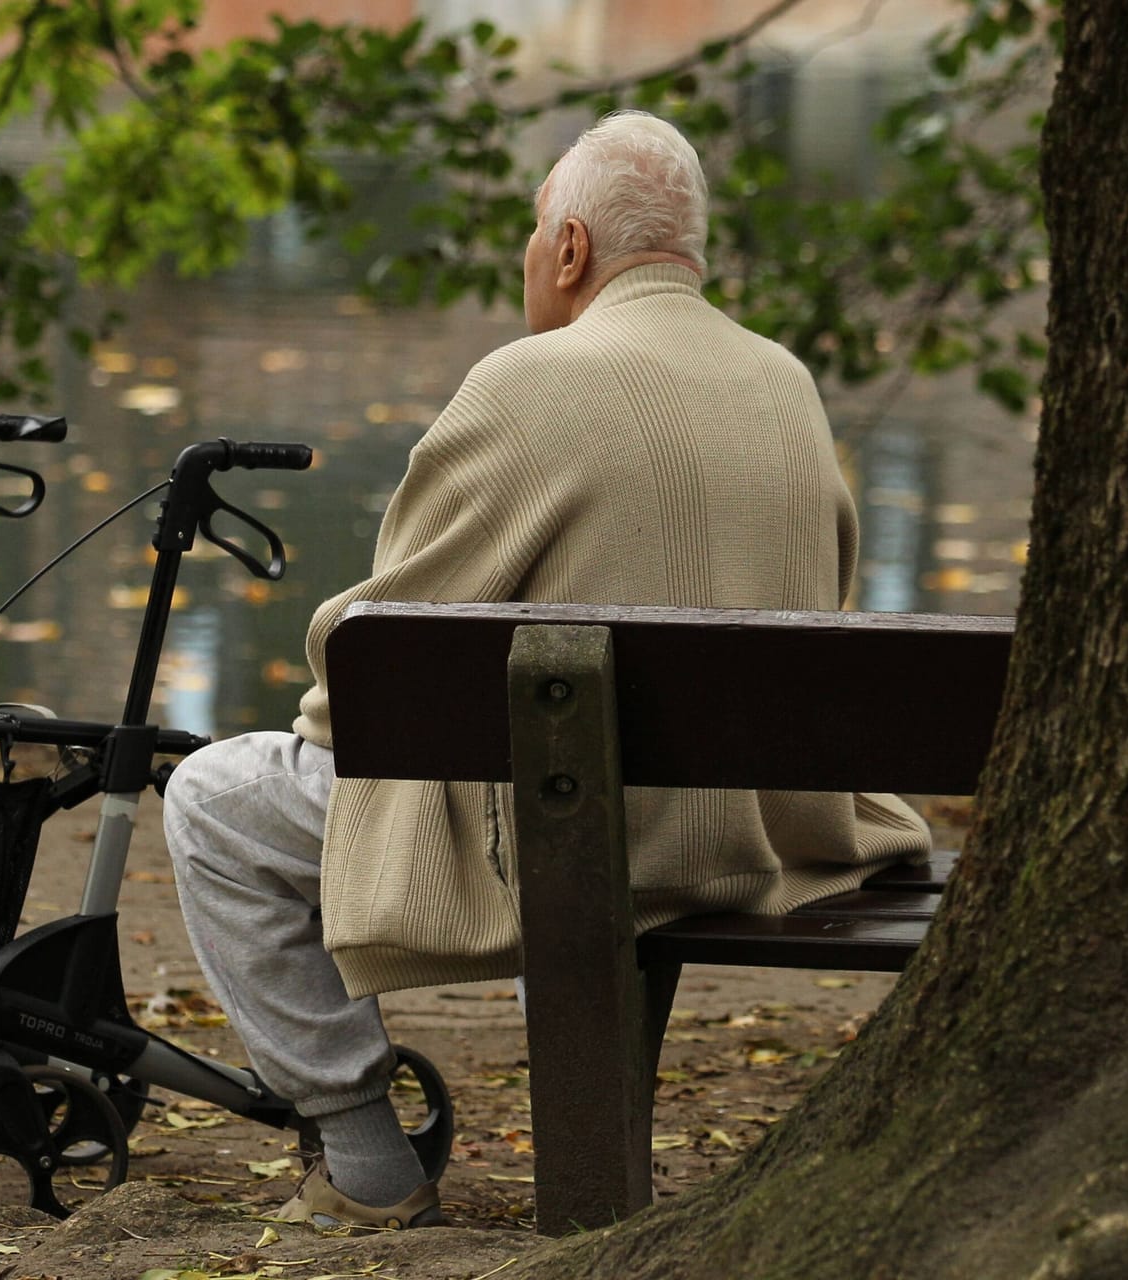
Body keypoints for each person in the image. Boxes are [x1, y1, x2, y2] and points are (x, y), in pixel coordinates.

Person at [162, 111, 930, 1231]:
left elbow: (381, 656)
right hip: (754, 829)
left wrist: (336, 721)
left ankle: (368, 1159)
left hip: (577, 834)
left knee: (214, 801)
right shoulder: (787, 386)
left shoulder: (528, 383)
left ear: (570, 249)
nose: (532, 253)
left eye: (534, 229)